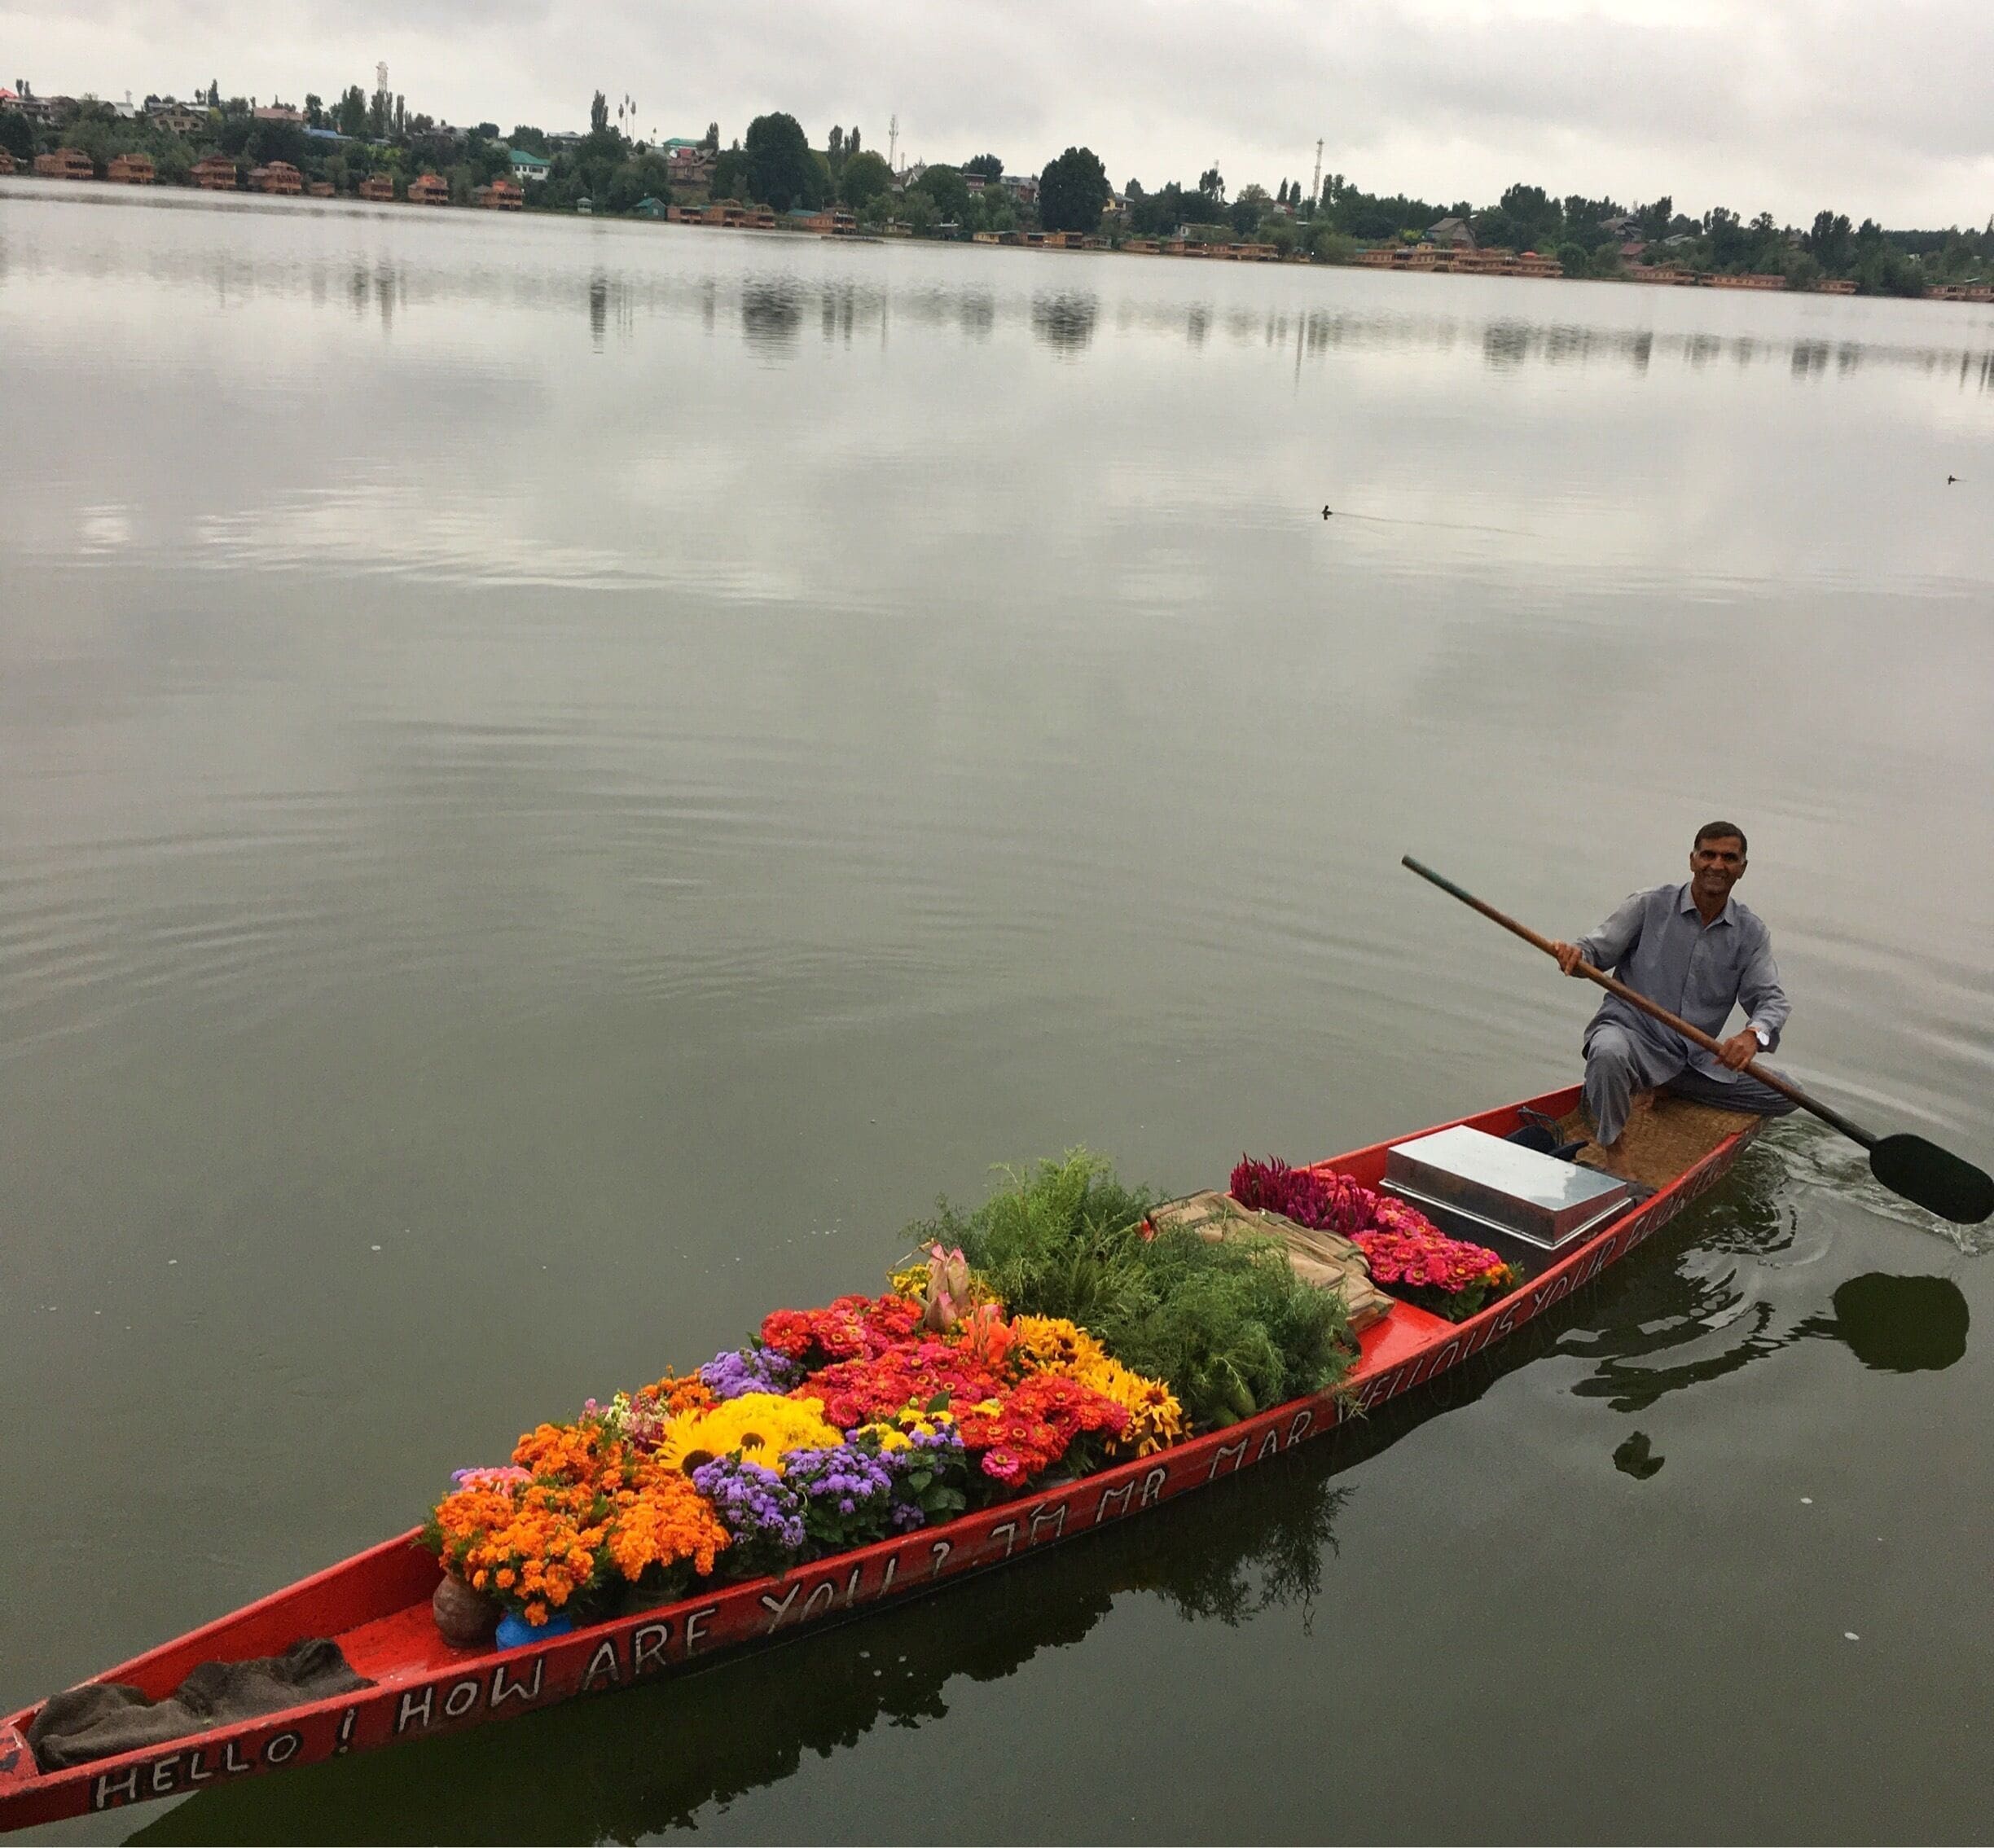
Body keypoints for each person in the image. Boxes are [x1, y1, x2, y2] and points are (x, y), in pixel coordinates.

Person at [1550, 823, 1795, 1149]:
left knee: (1789, 1095)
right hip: (1631, 1041)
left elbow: (1771, 1000)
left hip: (1690, 1061)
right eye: (1708, 855)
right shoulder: (1649, 905)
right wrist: (1574, 955)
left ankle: (1667, 1086)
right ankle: (1614, 1147)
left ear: (1742, 868)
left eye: (1729, 858)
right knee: (1607, 1052)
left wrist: (1753, 1035)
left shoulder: (1750, 933)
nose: (1717, 865)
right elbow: (1593, 954)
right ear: (1692, 860)